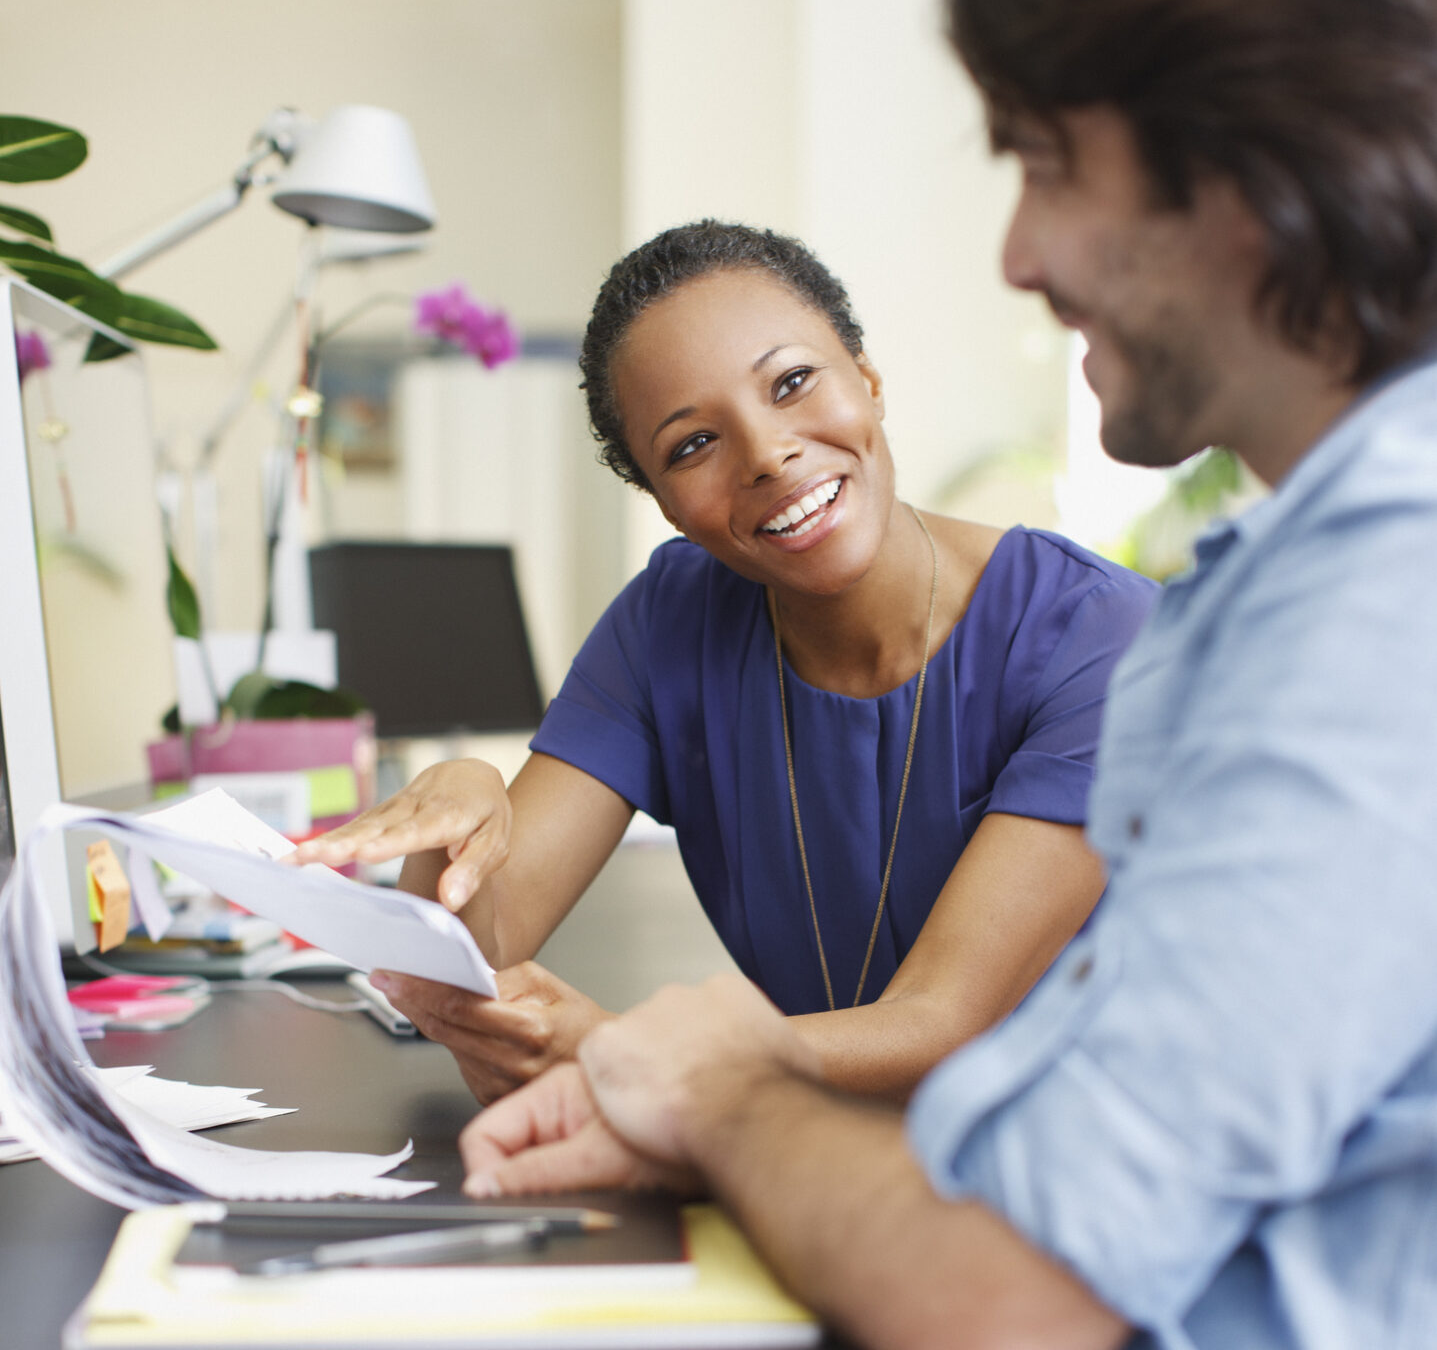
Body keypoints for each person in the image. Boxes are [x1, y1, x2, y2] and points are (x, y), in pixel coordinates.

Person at [456, 0, 1437, 1350]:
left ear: (1243, 171)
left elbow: (1002, 1292)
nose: (1013, 251)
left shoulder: (1377, 615)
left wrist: (717, 1078)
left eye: (1043, 161)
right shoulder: (1275, 574)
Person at [296, 222, 1152, 1104]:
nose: (768, 455)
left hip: (1092, 1179)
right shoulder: (673, 617)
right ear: (662, 502)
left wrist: (638, 1056)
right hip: (820, 1160)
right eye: (691, 446)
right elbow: (468, 953)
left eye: (791, 383)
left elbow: (943, 1021)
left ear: (868, 379)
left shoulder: (1100, 636)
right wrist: (461, 805)